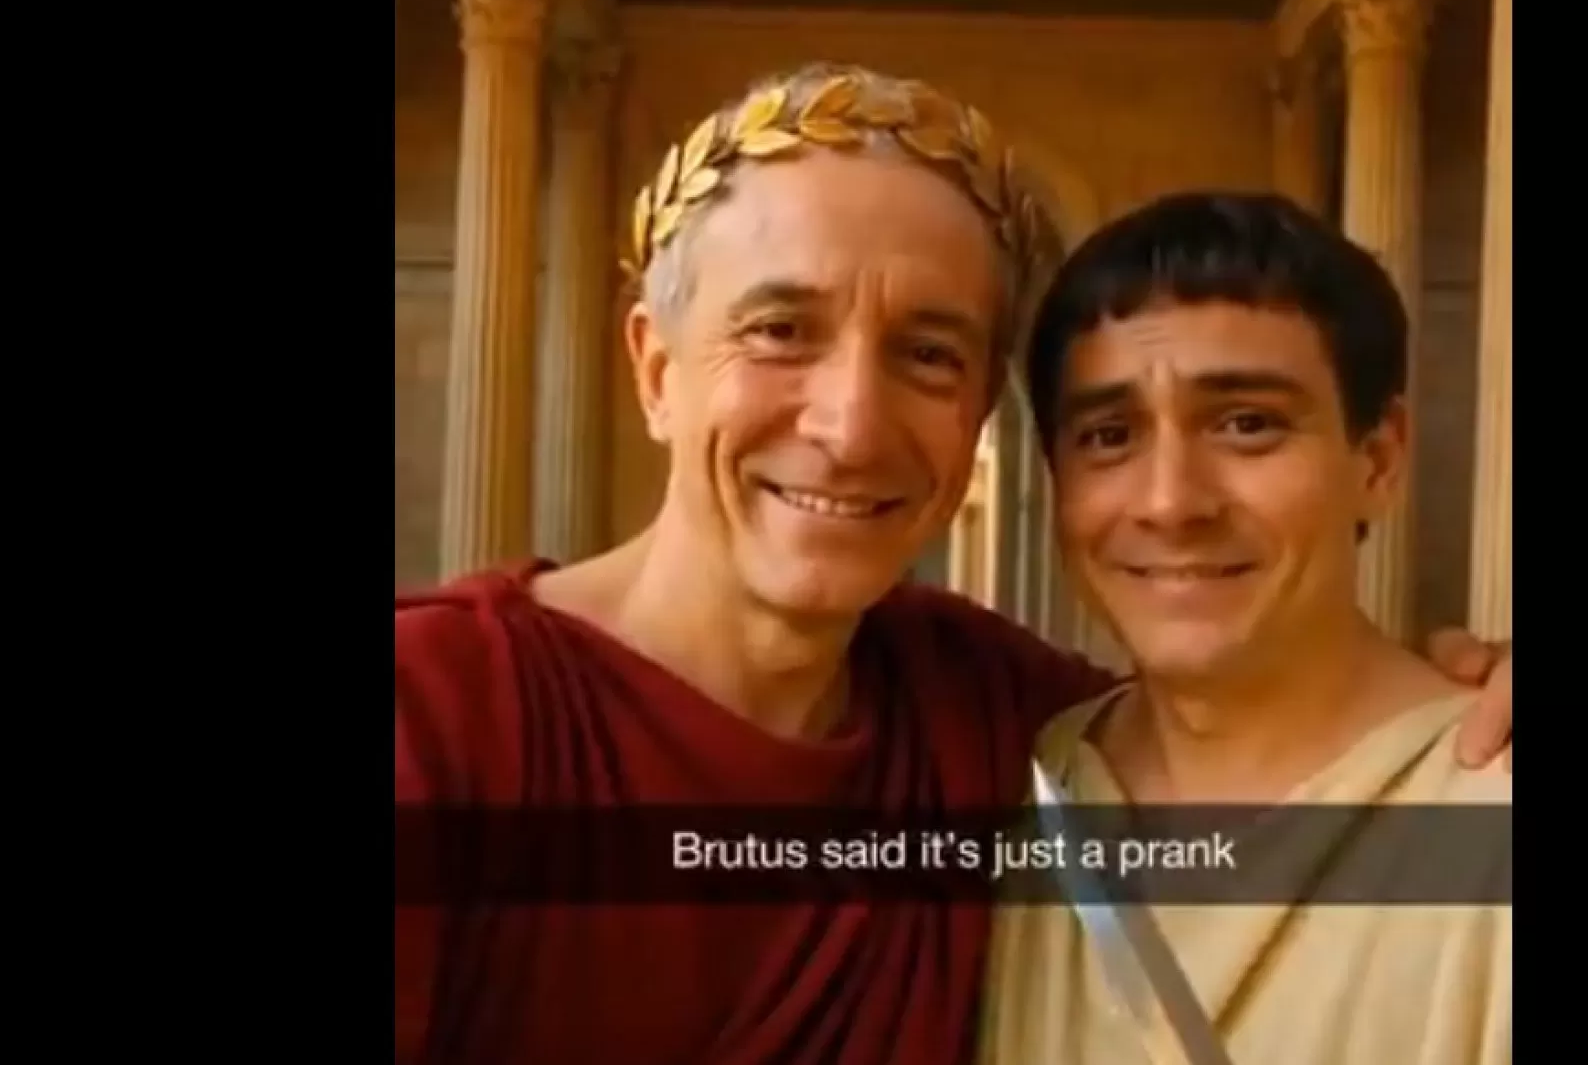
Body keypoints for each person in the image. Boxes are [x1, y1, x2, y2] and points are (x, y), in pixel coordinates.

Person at [394, 64, 1514, 1065]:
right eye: (781, 330)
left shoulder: (985, 715)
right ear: (654, 369)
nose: (851, 427)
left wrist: (1471, 686)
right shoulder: (438, 716)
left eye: (928, 354)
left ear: (979, 415)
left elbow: (1269, 711)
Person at [978, 191, 1510, 1065]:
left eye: (1247, 425)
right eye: (1108, 436)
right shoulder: (1012, 787)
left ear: (1377, 460)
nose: (1170, 503)